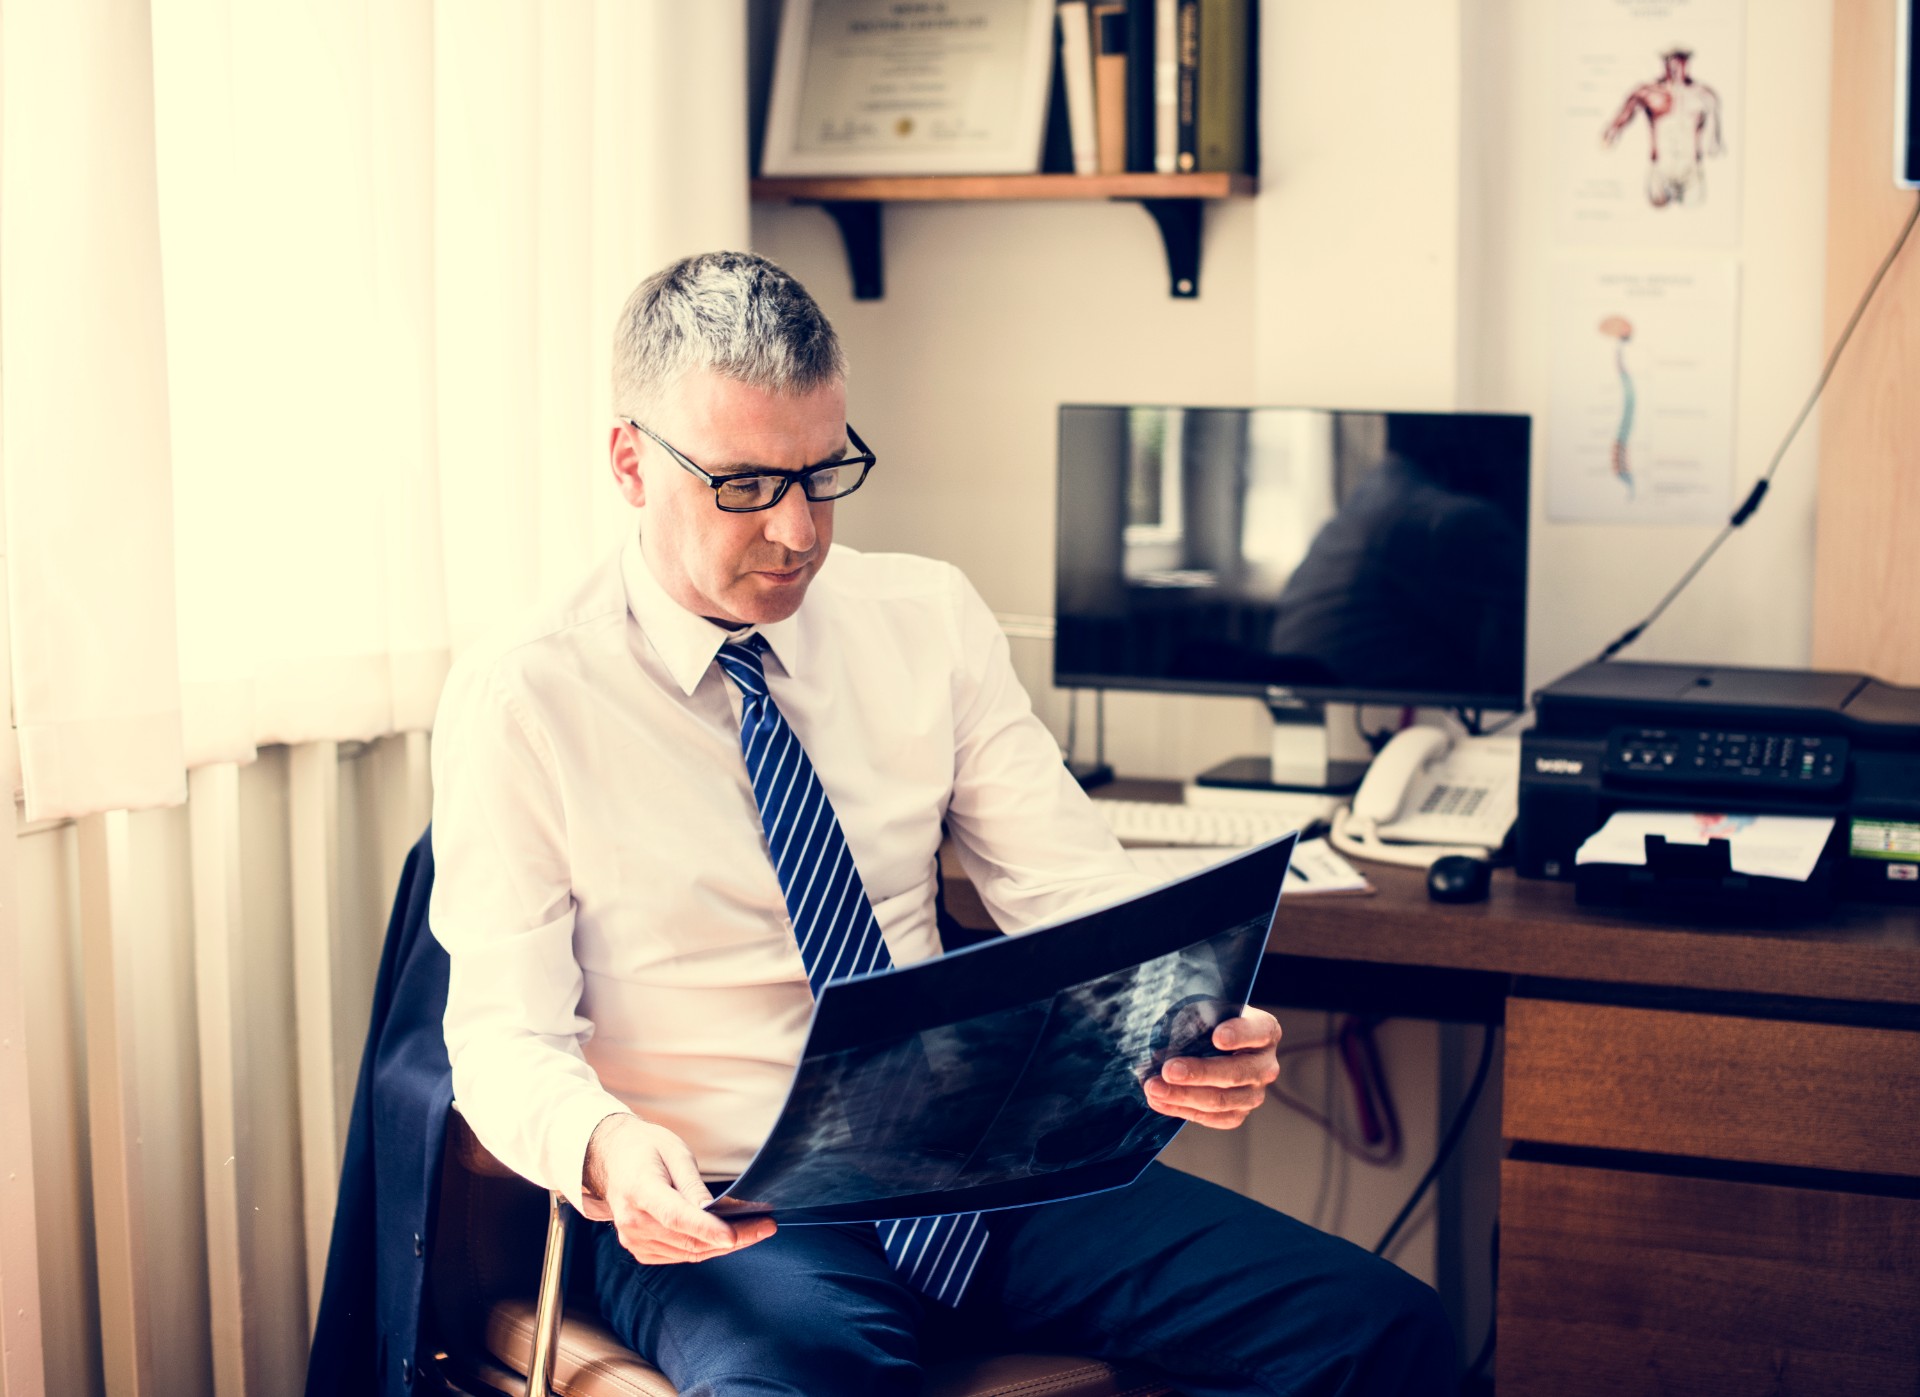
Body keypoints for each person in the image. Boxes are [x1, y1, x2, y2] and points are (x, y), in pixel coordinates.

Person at [429, 250, 1452, 1396]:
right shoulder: (525, 693)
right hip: (725, 1203)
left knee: (1381, 1332)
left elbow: (1072, 896)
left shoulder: (925, 617)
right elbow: (501, 1036)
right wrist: (608, 1151)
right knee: (813, 1381)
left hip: (975, 1174)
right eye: (746, 484)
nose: (799, 529)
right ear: (630, 461)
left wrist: (1182, 1018)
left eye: (826, 472)